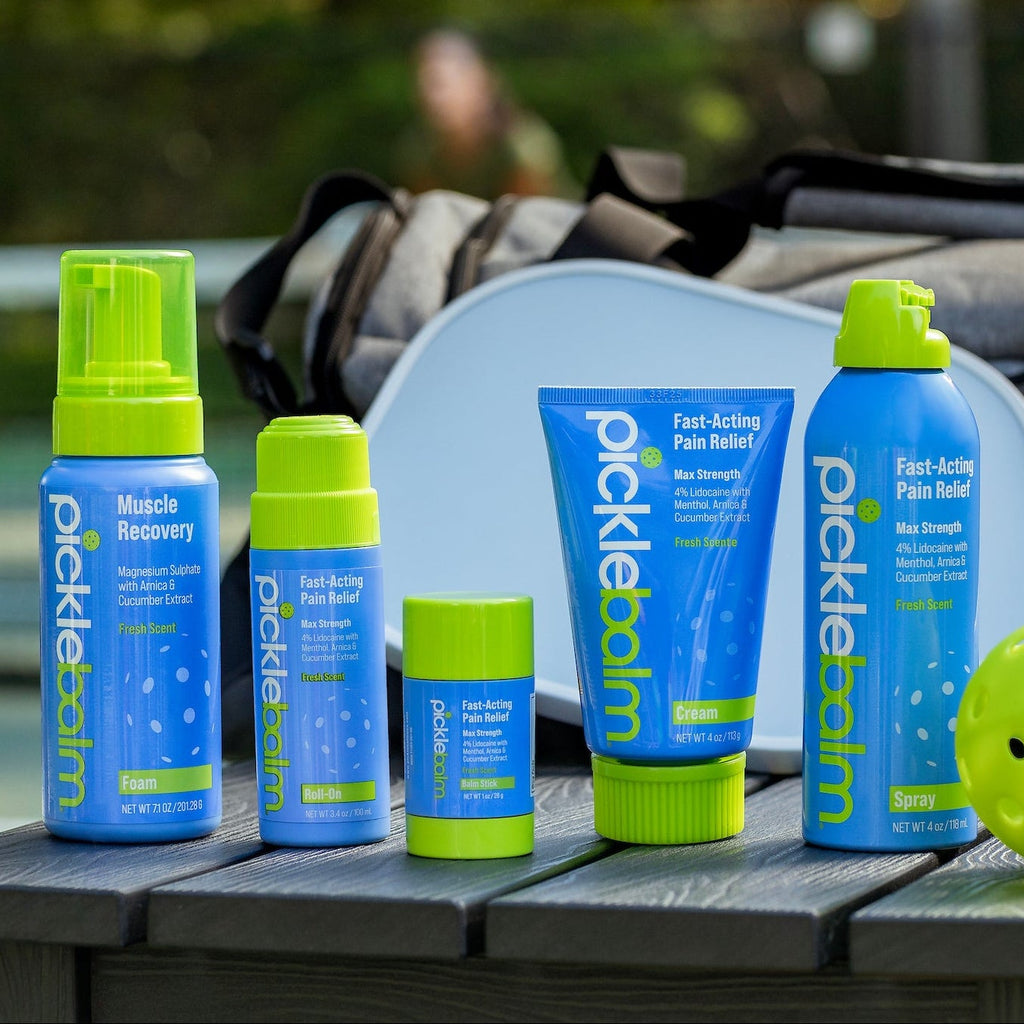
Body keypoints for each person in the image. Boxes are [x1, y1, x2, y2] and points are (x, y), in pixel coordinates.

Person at [393, 28, 576, 199]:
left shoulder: (522, 145)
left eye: (439, 83)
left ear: (478, 81)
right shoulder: (418, 150)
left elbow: (527, 220)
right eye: (422, 84)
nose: (430, 97)